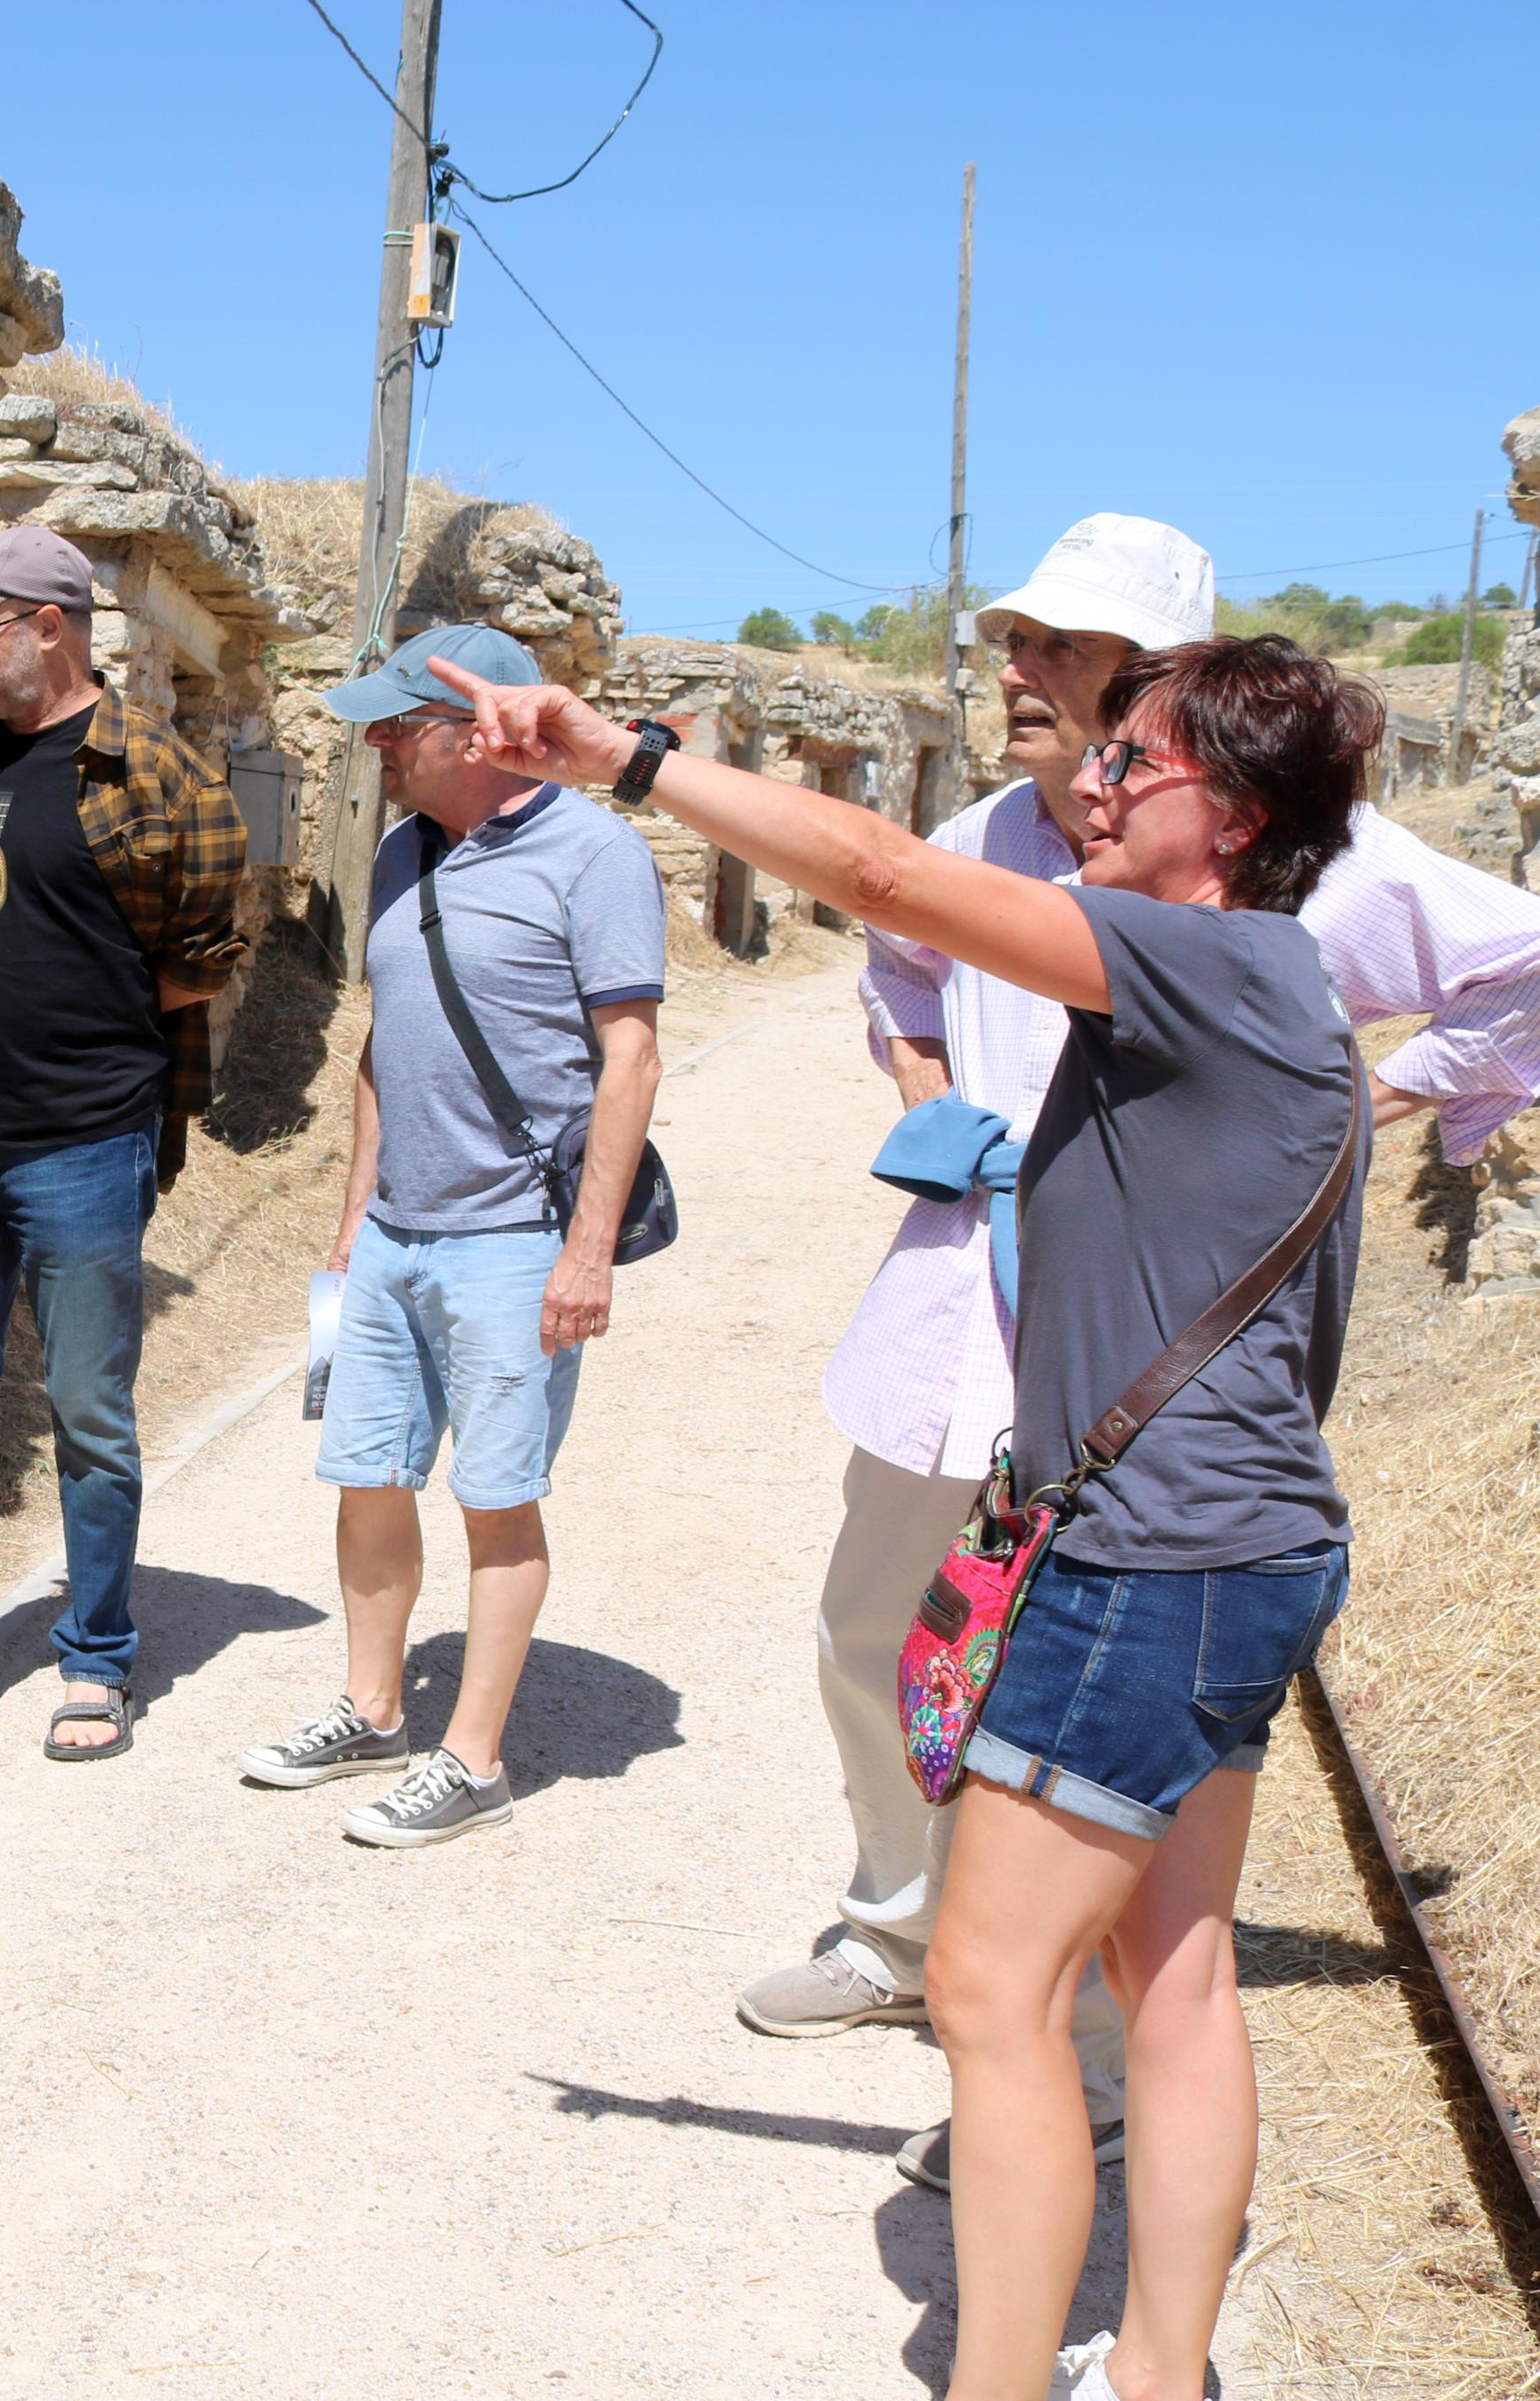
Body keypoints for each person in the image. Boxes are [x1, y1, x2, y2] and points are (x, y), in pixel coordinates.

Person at [431, 634, 1374, 2401]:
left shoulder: (1189, 960)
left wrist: (616, 760)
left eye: (1137, 763)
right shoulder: (1285, 988)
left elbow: (883, 872)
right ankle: (1160, 2376)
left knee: (987, 1987)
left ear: (1231, 819)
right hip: (1244, 1546)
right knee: (1171, 1975)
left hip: (1149, 1562)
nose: (1090, 782)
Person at [737, 516, 1540, 2194]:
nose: (1016, 671)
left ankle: (1063, 2050)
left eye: (1055, 647)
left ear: (1157, 685)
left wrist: (1375, 1102)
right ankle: (905, 1932)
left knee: (1081, 1711)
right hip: (967, 1314)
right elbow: (897, 961)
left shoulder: (1340, 863)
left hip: (1135, 1367)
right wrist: (930, 1103)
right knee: (872, 1631)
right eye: (1016, 637)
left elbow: (1524, 960)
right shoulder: (984, 829)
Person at [235, 624, 666, 1848]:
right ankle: (375, 1710)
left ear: (476, 730)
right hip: (394, 1238)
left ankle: (471, 1760)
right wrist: (350, 1220)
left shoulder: (596, 853)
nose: (373, 744)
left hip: (515, 1239)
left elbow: (629, 1058)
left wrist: (586, 1252)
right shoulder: (397, 854)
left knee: (495, 1495)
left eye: (395, 725)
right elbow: (385, 1044)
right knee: (368, 1475)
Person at [0, 525, 246, 1761]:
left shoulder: (162, 774)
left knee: (86, 1410)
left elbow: (203, 960)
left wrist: (86, 1049)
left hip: (81, 1144)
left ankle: (100, 1655)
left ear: (52, 626)